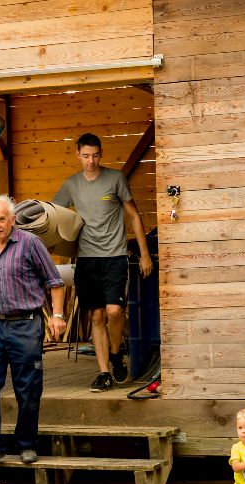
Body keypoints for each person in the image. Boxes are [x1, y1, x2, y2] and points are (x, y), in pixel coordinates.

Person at [0, 195, 67, 468]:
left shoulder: (30, 243)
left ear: (12, 219)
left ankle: (26, 444)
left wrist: (57, 316)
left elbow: (55, 282)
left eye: (2, 219)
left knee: (28, 386)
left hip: (25, 324)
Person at [54, 132, 152, 392]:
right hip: (87, 260)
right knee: (97, 316)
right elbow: (54, 215)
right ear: (78, 154)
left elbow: (133, 215)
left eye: (95, 155)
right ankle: (104, 372)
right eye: (86, 156)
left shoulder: (115, 179)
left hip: (114, 256)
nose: (91, 161)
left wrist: (144, 254)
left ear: (101, 154)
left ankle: (116, 354)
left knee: (114, 311)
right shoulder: (72, 184)